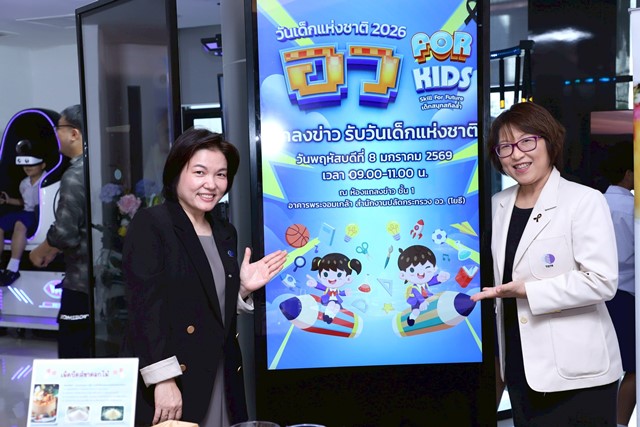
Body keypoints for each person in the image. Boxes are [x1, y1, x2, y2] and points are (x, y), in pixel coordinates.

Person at [120, 127, 287, 426]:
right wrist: (163, 379)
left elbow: (205, 303)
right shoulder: (152, 224)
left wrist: (241, 290)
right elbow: (145, 309)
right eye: (200, 172)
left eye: (221, 175)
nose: (211, 184)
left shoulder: (224, 231)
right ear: (176, 173)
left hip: (221, 370)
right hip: (176, 375)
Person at [471, 102, 622, 426]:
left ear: (549, 142)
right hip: (519, 367)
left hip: (579, 374)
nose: (517, 154)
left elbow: (602, 281)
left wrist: (528, 291)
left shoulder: (583, 200)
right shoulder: (498, 204)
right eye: (505, 147)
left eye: (527, 141)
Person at [30, 104, 90, 358]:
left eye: (59, 128)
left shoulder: (74, 175)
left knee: (73, 353)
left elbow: (65, 232)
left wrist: (42, 250)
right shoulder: (96, 167)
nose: (56, 134)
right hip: (102, 280)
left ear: (74, 133)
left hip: (79, 281)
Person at [601, 141, 636, 427]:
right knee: (635, 367)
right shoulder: (631, 208)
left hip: (598, 295)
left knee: (604, 365)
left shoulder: (595, 202)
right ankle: (621, 424)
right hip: (627, 295)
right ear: (628, 173)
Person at [0, 139, 47, 286]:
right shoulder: (24, 183)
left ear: (42, 165)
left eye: (32, 164)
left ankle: (13, 267)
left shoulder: (47, 181)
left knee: (20, 225)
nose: (28, 167)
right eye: (25, 164)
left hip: (38, 214)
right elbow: (24, 202)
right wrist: (8, 200)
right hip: (25, 211)